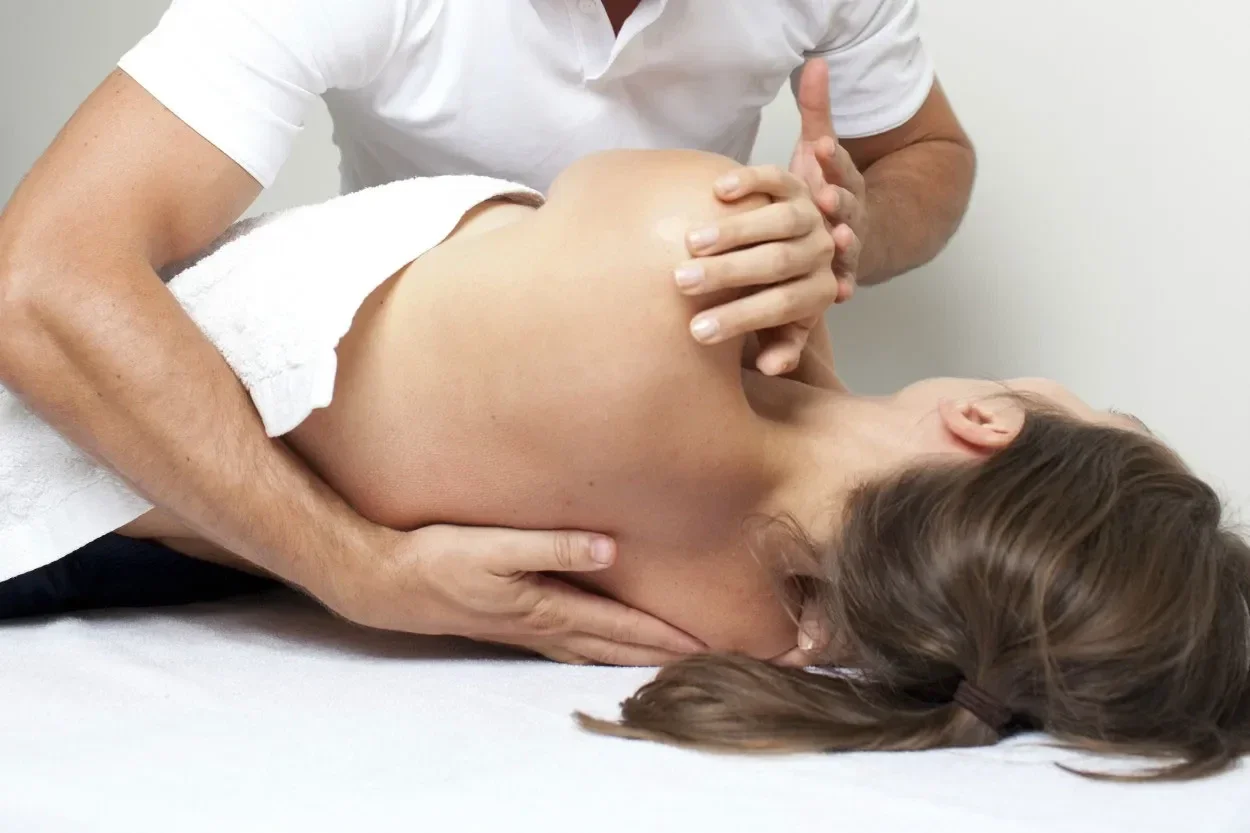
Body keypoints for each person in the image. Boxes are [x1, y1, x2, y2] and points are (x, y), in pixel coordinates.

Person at [12, 149, 1250, 780]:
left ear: (986, 422)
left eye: (1105, 410)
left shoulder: (685, 251)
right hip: (87, 547)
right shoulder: (762, 627)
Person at [0, 0, 974, 664]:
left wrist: (848, 231)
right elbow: (43, 280)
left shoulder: (755, 584)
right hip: (345, 428)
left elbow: (927, 153)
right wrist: (355, 567)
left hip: (594, 466)